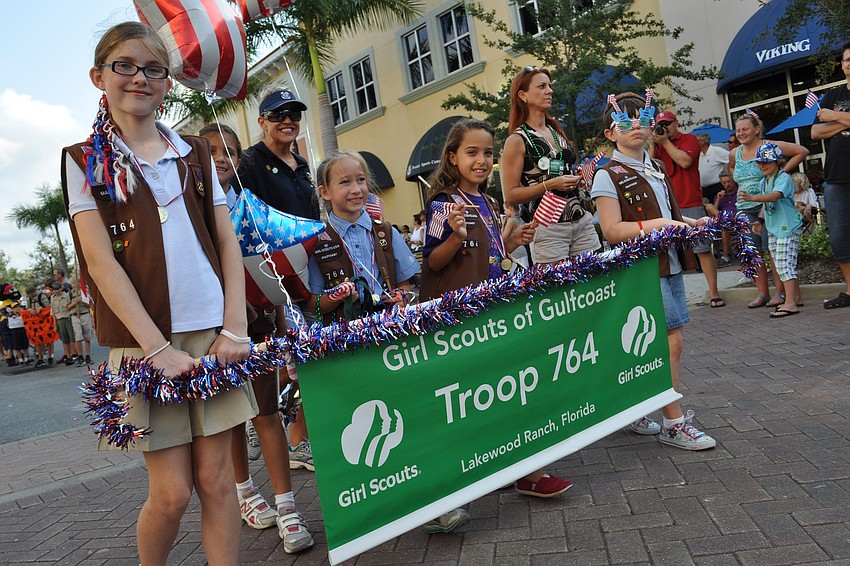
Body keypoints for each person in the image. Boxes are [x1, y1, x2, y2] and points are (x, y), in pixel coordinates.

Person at [61, 22, 257, 565]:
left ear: (169, 82)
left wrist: (234, 328)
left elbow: (226, 241)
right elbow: (101, 263)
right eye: (125, 66)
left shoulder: (194, 152)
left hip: (215, 337)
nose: (139, 78)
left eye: (153, 68)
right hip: (146, 345)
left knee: (218, 483)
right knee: (171, 495)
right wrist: (156, 348)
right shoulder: (84, 161)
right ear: (99, 76)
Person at [421, 118, 573, 509]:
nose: (482, 160)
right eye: (472, 152)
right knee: (468, 399)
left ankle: (526, 472)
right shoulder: (443, 203)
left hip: (492, 308)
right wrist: (454, 236)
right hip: (460, 317)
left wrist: (510, 240)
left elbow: (489, 256)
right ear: (452, 157)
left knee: (507, 390)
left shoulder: (487, 202)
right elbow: (434, 262)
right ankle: (456, 485)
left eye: (487, 153)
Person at [201, 122, 314, 553]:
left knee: (266, 413)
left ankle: (288, 510)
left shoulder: (252, 206)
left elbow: (275, 267)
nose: (220, 159)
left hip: (261, 324)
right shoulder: (195, 212)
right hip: (218, 331)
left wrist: (281, 314)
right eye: (211, 151)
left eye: (229, 151)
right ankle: (246, 493)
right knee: (232, 417)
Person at [591, 91, 716, 450]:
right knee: (670, 342)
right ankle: (674, 423)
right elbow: (612, 231)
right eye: (624, 121)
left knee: (656, 343)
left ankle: (639, 406)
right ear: (610, 134)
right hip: (641, 268)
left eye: (642, 118)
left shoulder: (655, 166)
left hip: (668, 263)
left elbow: (670, 216)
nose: (636, 126)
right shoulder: (607, 173)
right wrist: (659, 224)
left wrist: (690, 224)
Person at [234, 87, 317, 471]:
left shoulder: (302, 165)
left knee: (303, 357)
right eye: (278, 114)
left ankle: (299, 437)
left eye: (294, 114)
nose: (288, 120)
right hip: (265, 274)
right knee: (276, 358)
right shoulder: (249, 162)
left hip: (303, 270)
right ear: (262, 121)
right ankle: (261, 420)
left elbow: (312, 219)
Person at [501, 66, 600, 264]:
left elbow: (565, 174)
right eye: (542, 86)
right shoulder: (517, 140)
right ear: (523, 95)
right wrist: (551, 185)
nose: (549, 91)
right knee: (560, 293)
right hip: (548, 226)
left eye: (549, 86)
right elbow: (511, 195)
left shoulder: (556, 130)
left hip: (581, 220)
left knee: (597, 288)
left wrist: (582, 176)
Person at [308, 151, 420, 323]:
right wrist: (338, 296)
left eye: (361, 180)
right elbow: (313, 304)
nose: (356, 189)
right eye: (345, 182)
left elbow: (405, 286)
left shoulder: (386, 232)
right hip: (346, 338)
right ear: (325, 192)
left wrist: (401, 297)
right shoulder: (319, 242)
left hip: (389, 329)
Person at [729, 111, 809, 308]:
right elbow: (732, 169)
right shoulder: (734, 153)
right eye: (738, 130)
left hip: (769, 205)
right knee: (753, 253)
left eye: (745, 129)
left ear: (756, 129)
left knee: (772, 250)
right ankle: (762, 293)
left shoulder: (769, 147)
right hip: (745, 207)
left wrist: (781, 174)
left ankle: (781, 294)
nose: (741, 133)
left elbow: (802, 151)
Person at [651, 111, 725, 308]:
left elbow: (685, 161)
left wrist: (665, 142)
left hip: (689, 201)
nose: (664, 127)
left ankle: (714, 292)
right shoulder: (657, 145)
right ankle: (675, 298)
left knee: (702, 248)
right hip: (666, 204)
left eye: (667, 123)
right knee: (670, 252)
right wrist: (652, 143)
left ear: (676, 123)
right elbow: (647, 168)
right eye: (660, 124)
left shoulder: (689, 139)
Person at [738, 143, 803, 318]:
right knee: (783, 262)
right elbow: (767, 205)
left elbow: (775, 196)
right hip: (775, 227)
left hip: (788, 227)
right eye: (759, 162)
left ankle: (790, 303)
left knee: (784, 264)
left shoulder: (783, 178)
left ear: (777, 162)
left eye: (767, 161)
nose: (762, 165)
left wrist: (753, 198)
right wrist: (759, 220)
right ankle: (796, 297)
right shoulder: (763, 181)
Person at [812, 41, 850, 309]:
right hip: (837, 178)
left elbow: (826, 125)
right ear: (842, 64)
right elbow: (815, 133)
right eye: (847, 59)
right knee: (839, 240)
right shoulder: (832, 96)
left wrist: (834, 119)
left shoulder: (832, 108)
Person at [199, 124, 242, 211]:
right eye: (211, 151)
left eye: (229, 153)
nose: (220, 159)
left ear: (237, 164)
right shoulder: (188, 207)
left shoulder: (248, 210)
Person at [695, 132, 730, 206]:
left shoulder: (716, 151)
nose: (694, 143)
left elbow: (732, 158)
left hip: (716, 187)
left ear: (704, 141)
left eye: (697, 140)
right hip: (704, 189)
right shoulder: (698, 153)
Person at [713, 172, 738, 266]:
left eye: (729, 181)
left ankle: (725, 256)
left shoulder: (740, 192)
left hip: (738, 219)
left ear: (734, 181)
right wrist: (719, 199)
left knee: (725, 225)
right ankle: (725, 257)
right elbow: (713, 212)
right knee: (709, 207)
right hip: (723, 221)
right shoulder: (720, 195)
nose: (727, 184)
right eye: (724, 183)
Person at [49, 281, 77, 365]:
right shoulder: (53, 298)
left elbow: (70, 307)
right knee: (64, 340)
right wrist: (55, 325)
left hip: (67, 318)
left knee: (72, 338)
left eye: (57, 289)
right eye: (53, 289)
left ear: (61, 288)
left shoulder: (67, 295)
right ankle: (68, 356)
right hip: (59, 319)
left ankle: (75, 354)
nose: (55, 291)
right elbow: (53, 313)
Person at [67, 280, 94, 366]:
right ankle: (80, 356)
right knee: (78, 337)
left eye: (75, 283)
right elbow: (67, 308)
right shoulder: (69, 295)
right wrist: (74, 303)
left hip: (84, 314)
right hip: (75, 316)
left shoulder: (84, 293)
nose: (74, 285)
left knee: (87, 336)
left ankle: (88, 356)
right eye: (72, 284)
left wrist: (83, 301)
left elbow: (89, 305)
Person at [502, 202, 530, 269]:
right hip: (523, 251)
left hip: (515, 253)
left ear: (510, 208)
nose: (504, 212)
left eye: (505, 209)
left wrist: (502, 225)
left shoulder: (511, 221)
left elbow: (503, 238)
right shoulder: (520, 218)